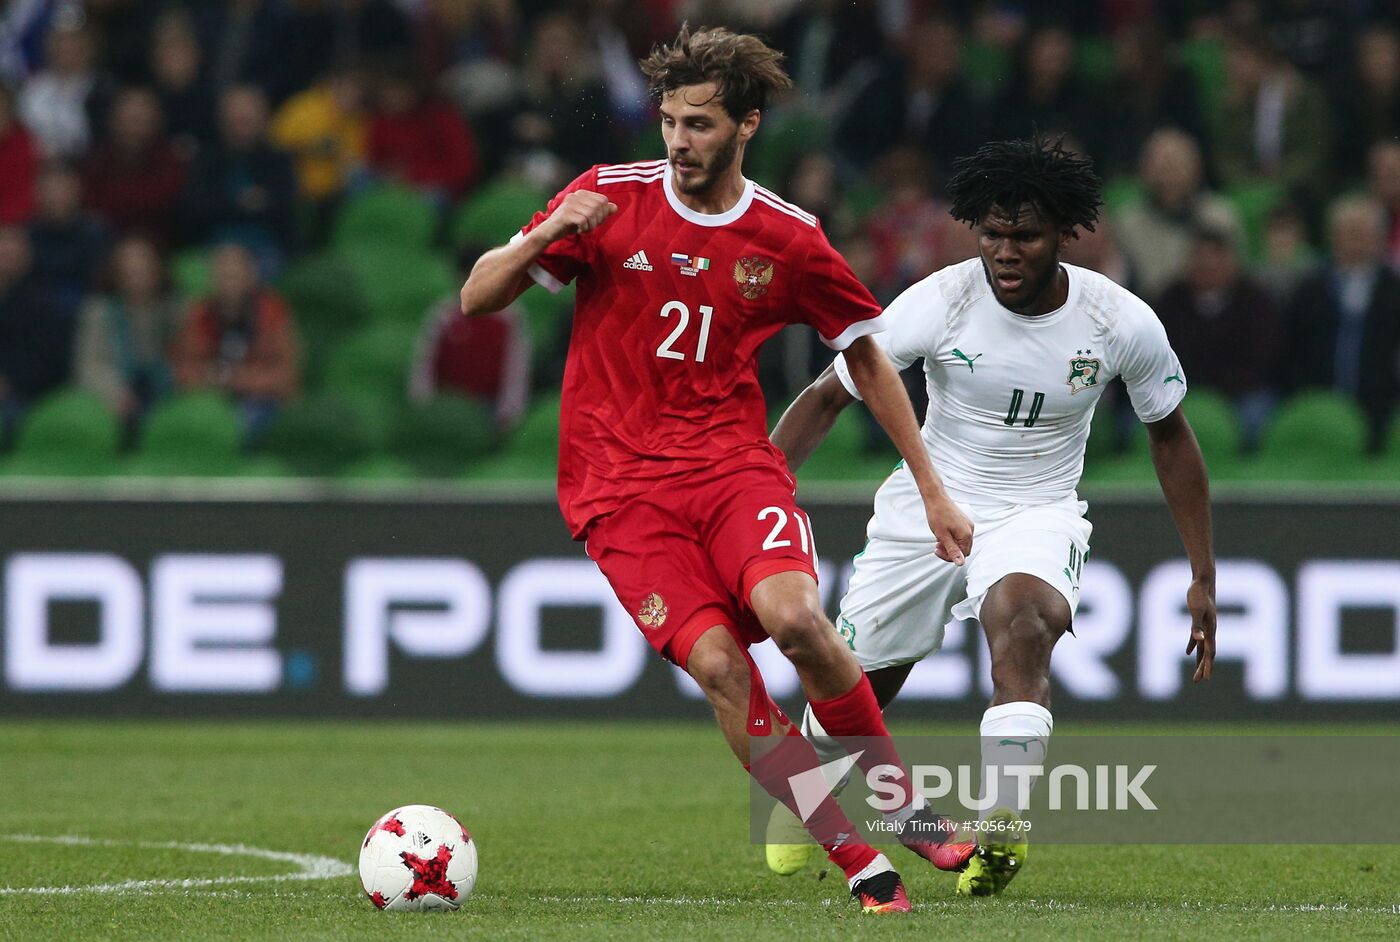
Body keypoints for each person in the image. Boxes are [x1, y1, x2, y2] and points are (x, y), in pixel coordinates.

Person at [458, 26, 976, 914]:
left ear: (746, 126)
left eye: (699, 125)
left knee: (799, 620)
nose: (677, 143)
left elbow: (865, 354)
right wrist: (544, 232)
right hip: (617, 489)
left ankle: (906, 810)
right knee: (722, 670)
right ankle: (858, 861)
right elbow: (477, 298)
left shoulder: (788, 235)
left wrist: (932, 487)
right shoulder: (604, 198)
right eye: (667, 122)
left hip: (733, 467)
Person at [765, 137, 1217, 897]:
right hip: (927, 504)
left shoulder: (1118, 321)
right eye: (992, 233)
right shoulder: (940, 300)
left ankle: (1001, 832)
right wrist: (756, 497)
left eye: (1026, 235)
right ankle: (805, 793)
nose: (1005, 251)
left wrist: (1202, 575)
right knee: (860, 688)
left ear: (1064, 235)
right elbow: (827, 395)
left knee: (1027, 625)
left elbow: (1171, 437)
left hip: (1037, 510)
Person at [1283, 195, 1400, 452]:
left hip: (1381, 407)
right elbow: (1291, 348)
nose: (1356, 242)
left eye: (1363, 233)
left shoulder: (1394, 291)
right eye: (1349, 233)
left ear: (1379, 239)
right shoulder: (1310, 290)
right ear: (1333, 238)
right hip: (1318, 402)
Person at [172, 241, 299, 443]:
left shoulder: (272, 312)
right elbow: (184, 367)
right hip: (211, 395)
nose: (228, 283)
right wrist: (208, 379)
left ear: (250, 276)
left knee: (243, 424)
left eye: (235, 276)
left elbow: (287, 372)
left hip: (259, 397)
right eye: (222, 276)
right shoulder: (199, 313)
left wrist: (240, 379)